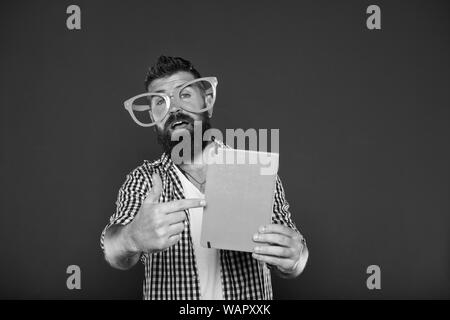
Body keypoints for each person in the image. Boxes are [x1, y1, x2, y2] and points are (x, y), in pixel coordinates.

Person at [100, 55, 309, 300]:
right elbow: (113, 251)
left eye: (184, 94)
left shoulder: (254, 171)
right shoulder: (144, 180)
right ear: (153, 118)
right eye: (160, 101)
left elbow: (292, 257)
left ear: (207, 102)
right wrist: (131, 237)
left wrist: (296, 258)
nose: (173, 108)